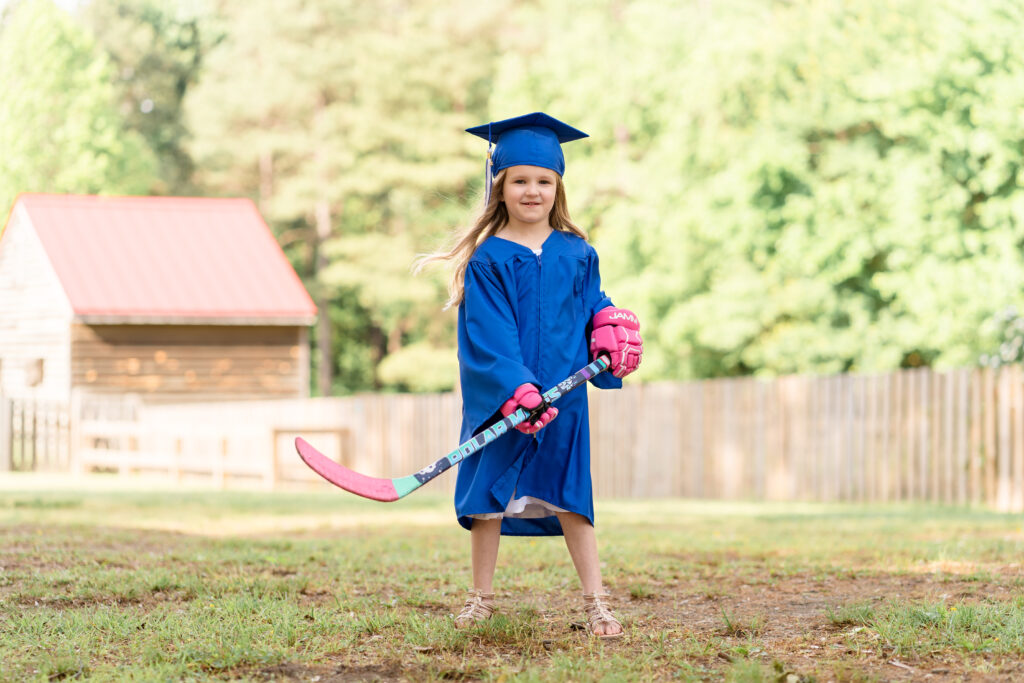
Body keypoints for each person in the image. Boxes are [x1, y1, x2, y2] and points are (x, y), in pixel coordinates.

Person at [417, 112, 643, 639]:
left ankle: (596, 604)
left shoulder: (578, 253)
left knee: (573, 499)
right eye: (520, 180)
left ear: (558, 187)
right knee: (486, 503)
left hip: (563, 401)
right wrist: (515, 388)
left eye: (544, 181)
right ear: (500, 187)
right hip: (506, 401)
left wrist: (610, 328)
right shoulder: (489, 259)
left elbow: (593, 309)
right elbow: (488, 334)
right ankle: (481, 600)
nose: (532, 191)